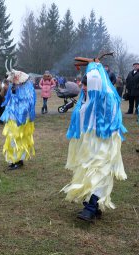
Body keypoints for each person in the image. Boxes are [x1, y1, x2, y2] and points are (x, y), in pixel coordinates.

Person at [62, 59, 127, 222]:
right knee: (88, 171)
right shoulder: (88, 97)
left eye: (86, 85)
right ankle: (93, 206)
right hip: (89, 142)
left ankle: (90, 208)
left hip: (104, 142)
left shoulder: (109, 98)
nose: (82, 88)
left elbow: (111, 121)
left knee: (100, 172)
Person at [0, 69, 36, 170]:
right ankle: (14, 160)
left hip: (21, 121)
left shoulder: (27, 91)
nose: (12, 83)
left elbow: (27, 107)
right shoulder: (13, 89)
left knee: (19, 140)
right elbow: (6, 99)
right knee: (12, 139)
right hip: (12, 119)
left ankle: (18, 160)